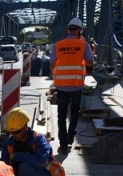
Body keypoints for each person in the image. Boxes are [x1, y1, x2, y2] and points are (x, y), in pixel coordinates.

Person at [0, 107, 65, 176]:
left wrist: (18, 156)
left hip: (42, 174)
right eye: (10, 132)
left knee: (25, 167)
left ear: (25, 126)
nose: (13, 135)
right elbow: (4, 163)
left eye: (16, 132)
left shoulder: (38, 139)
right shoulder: (10, 143)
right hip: (23, 175)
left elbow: (41, 162)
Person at [50, 17, 94, 154]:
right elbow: (90, 63)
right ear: (80, 30)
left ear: (68, 29)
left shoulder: (58, 45)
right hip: (76, 86)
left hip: (62, 86)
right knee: (74, 113)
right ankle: (70, 138)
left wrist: (56, 76)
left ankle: (63, 145)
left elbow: (52, 63)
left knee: (61, 116)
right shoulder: (84, 45)